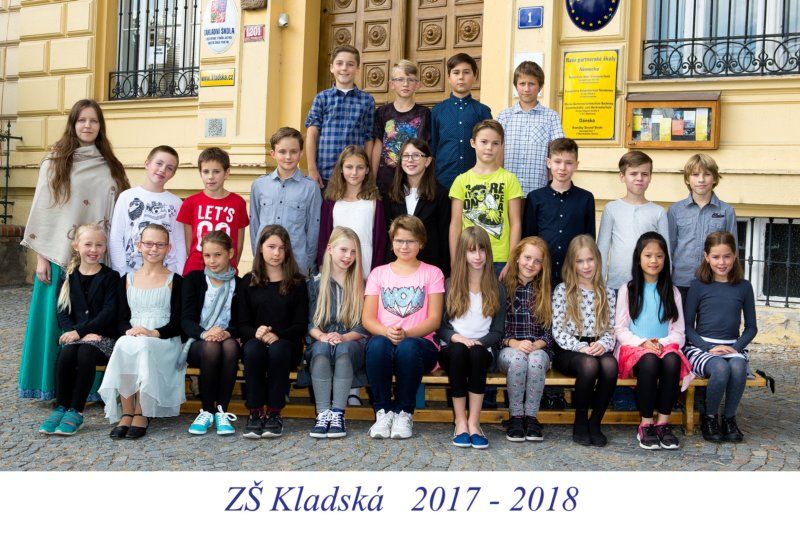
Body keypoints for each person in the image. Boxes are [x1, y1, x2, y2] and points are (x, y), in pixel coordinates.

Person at [20, 98, 129, 401]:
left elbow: (119, 210)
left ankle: (91, 390)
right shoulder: (55, 162)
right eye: (82, 120)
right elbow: (44, 210)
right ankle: (51, 387)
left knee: (96, 323)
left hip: (96, 261)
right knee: (57, 323)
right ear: (73, 124)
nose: (87, 126)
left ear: (100, 126)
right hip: (60, 257)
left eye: (93, 121)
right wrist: (41, 258)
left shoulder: (111, 165)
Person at [99, 224, 185, 439]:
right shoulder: (126, 280)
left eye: (160, 244)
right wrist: (129, 331)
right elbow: (120, 318)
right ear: (139, 246)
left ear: (168, 248)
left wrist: (153, 332)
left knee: (143, 346)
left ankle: (142, 411)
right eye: (148, 243)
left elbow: (179, 322)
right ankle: (127, 411)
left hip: (163, 339)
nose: (153, 249)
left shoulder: (175, 281)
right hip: (134, 336)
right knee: (124, 344)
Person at [362, 215, 444, 439]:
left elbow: (434, 319)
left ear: (421, 243)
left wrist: (406, 334)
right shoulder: (378, 273)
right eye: (399, 240)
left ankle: (404, 412)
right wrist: (386, 331)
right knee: (377, 344)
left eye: (411, 241)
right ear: (392, 242)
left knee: (408, 347)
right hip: (385, 341)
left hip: (421, 346)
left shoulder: (432, 273)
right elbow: (368, 319)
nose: (404, 246)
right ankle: (383, 412)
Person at [614, 232, 692, 450]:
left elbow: (679, 331)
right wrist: (643, 343)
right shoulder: (628, 290)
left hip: (665, 346)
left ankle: (663, 424)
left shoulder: (672, 292)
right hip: (634, 349)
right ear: (638, 258)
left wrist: (661, 344)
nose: (653, 260)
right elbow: (620, 329)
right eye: (648, 255)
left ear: (665, 259)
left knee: (672, 361)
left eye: (659, 256)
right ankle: (646, 424)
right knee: (649, 361)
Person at [38, 224, 118, 436]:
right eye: (88, 244)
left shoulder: (111, 277)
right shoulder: (67, 276)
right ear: (76, 246)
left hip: (103, 337)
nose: (93, 249)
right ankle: (61, 406)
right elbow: (62, 311)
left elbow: (108, 313)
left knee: (85, 353)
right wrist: (72, 333)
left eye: (99, 245)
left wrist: (80, 332)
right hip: (78, 335)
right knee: (66, 354)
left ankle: (76, 411)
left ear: (105, 248)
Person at [684, 231, 757, 443]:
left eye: (727, 256)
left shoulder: (744, 287)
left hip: (733, 347)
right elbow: (687, 326)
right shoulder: (698, 285)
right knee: (720, 368)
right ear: (706, 257)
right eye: (716, 257)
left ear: (735, 256)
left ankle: (729, 419)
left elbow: (751, 328)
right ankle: (709, 418)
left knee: (738, 367)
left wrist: (736, 348)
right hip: (701, 347)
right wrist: (707, 348)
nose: (721, 262)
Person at [438, 227, 506, 449]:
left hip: (482, 350)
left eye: (482, 250)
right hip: (453, 348)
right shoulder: (450, 285)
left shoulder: (497, 288)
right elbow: (440, 327)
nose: (477, 256)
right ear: (462, 254)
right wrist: (457, 338)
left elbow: (498, 331)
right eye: (471, 250)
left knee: (476, 353)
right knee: (459, 351)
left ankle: (474, 423)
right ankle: (460, 422)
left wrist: (480, 342)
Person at [238, 225, 309, 439]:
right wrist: (257, 332)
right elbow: (241, 323)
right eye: (271, 247)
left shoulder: (297, 283)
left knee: (278, 350)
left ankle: (275, 412)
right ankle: (255, 412)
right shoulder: (248, 281)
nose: (276, 253)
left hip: (287, 343)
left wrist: (278, 335)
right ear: (260, 248)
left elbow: (301, 324)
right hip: (256, 341)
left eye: (282, 248)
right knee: (253, 350)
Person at [552, 235, 617, 447]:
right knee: (589, 365)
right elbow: (558, 330)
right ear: (572, 263)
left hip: (598, 346)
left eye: (590, 260)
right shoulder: (563, 290)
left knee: (610, 365)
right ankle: (580, 421)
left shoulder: (607, 292)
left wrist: (603, 344)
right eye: (580, 261)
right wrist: (580, 347)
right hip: (569, 350)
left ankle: (595, 422)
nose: (586, 266)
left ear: (598, 259)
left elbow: (612, 329)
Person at [306, 227, 368, 439]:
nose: (348, 256)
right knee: (321, 349)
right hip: (321, 339)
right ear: (330, 249)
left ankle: (338, 414)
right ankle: (323, 414)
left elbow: (364, 325)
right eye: (344, 250)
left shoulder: (362, 285)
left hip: (352, 342)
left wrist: (344, 337)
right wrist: (322, 336)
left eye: (353, 252)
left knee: (343, 349)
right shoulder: (314, 283)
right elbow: (309, 322)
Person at [181, 231, 241, 436]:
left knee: (230, 346)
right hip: (198, 341)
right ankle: (207, 410)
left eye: (218, 255)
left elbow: (241, 322)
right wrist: (205, 333)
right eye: (207, 255)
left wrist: (227, 333)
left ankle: (221, 411)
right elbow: (186, 319)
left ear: (230, 253)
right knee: (212, 346)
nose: (212, 261)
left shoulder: (239, 284)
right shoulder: (194, 280)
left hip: (227, 338)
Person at [448, 119, 523, 280]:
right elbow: (455, 224)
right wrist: (455, 261)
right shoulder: (461, 181)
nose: (489, 147)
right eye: (484, 142)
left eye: (495, 143)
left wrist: (511, 260)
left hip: (499, 258)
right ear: (473, 143)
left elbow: (515, 223)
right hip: (468, 256)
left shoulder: (509, 179)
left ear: (502, 145)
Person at [498, 237, 554, 442]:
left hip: (539, 349)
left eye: (537, 261)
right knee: (519, 359)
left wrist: (537, 344)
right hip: (509, 349)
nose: (531, 264)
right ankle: (516, 417)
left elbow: (551, 332)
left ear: (543, 265)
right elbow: (496, 329)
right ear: (517, 258)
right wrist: (514, 343)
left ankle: (531, 417)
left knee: (536, 360)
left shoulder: (545, 290)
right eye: (527, 258)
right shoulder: (503, 288)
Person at [250, 127, 322, 278]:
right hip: (265, 265)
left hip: (296, 264)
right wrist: (258, 255)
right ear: (273, 154)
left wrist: (307, 263)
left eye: (293, 151)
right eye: (282, 152)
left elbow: (313, 230)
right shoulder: (259, 185)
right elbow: (255, 225)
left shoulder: (310, 188)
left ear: (301, 153)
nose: (288, 157)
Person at [523, 137, 595, 285]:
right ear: (548, 163)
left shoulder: (586, 198)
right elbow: (528, 238)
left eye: (568, 163)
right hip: (541, 274)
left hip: (573, 275)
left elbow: (589, 239)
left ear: (576, 165)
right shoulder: (535, 198)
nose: (562, 168)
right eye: (557, 162)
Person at [668, 154, 737, 301]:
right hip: (681, 282)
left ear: (715, 178)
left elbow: (733, 250)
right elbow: (669, 248)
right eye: (695, 174)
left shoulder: (726, 211)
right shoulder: (675, 210)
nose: (701, 179)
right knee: (682, 317)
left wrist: (731, 282)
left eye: (707, 174)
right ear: (687, 179)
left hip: (714, 281)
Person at [597, 151, 669, 292]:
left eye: (645, 174)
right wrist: (599, 283)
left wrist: (665, 285)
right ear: (622, 176)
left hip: (648, 286)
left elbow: (665, 252)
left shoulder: (658, 212)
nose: (639, 178)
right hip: (616, 285)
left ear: (650, 177)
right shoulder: (611, 209)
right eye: (633, 174)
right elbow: (602, 250)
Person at [109, 145, 186, 275]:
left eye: (169, 168)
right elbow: (116, 237)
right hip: (130, 273)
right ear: (147, 164)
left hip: (166, 275)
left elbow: (179, 241)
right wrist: (121, 272)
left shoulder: (176, 202)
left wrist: (178, 272)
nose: (162, 170)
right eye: (159, 163)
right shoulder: (126, 197)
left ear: (173, 174)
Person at [305, 44, 375, 187]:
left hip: (354, 175)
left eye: (350, 64)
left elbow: (369, 138)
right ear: (332, 67)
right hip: (325, 174)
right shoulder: (322, 98)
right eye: (339, 63)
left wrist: (367, 170)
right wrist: (312, 168)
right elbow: (312, 134)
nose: (344, 68)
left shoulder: (367, 100)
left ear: (357, 68)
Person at [317, 145, 387, 278]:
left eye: (360, 167)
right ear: (341, 169)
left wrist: (376, 273)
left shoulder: (374, 202)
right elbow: (324, 236)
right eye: (349, 167)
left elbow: (381, 241)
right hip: (337, 265)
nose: (354, 172)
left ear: (367, 170)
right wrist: (322, 264)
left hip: (366, 265)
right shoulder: (331, 201)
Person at [177, 147, 249, 275]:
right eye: (206, 172)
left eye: (216, 171)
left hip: (225, 268)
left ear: (226, 173)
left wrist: (232, 264)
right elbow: (189, 244)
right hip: (196, 268)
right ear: (200, 173)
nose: (210, 177)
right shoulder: (190, 202)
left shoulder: (238, 203)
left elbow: (238, 243)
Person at [384, 138, 450, 275]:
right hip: (397, 269)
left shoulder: (440, 194)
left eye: (416, 155)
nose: (410, 160)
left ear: (428, 161)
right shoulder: (390, 194)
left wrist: (446, 272)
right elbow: (387, 235)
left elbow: (444, 236)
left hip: (430, 267)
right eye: (406, 156)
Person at [497, 61, 564, 195]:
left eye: (532, 84)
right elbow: (496, 152)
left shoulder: (551, 117)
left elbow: (558, 152)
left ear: (540, 87)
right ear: (516, 86)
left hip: (538, 190)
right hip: (508, 190)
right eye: (522, 84)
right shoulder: (504, 116)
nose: (526, 89)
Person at [430, 53, 492, 189]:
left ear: (475, 77)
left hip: (475, 182)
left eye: (466, 72)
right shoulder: (437, 111)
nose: (461, 77)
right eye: (456, 72)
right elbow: (432, 148)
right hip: (443, 181)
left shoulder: (482, 111)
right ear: (449, 77)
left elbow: (489, 147)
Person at [371, 59, 431, 195]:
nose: (405, 84)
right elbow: (378, 146)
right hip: (385, 180)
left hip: (414, 181)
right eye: (400, 79)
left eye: (411, 80)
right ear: (391, 84)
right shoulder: (382, 112)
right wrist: (372, 179)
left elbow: (425, 147)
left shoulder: (424, 113)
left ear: (418, 85)